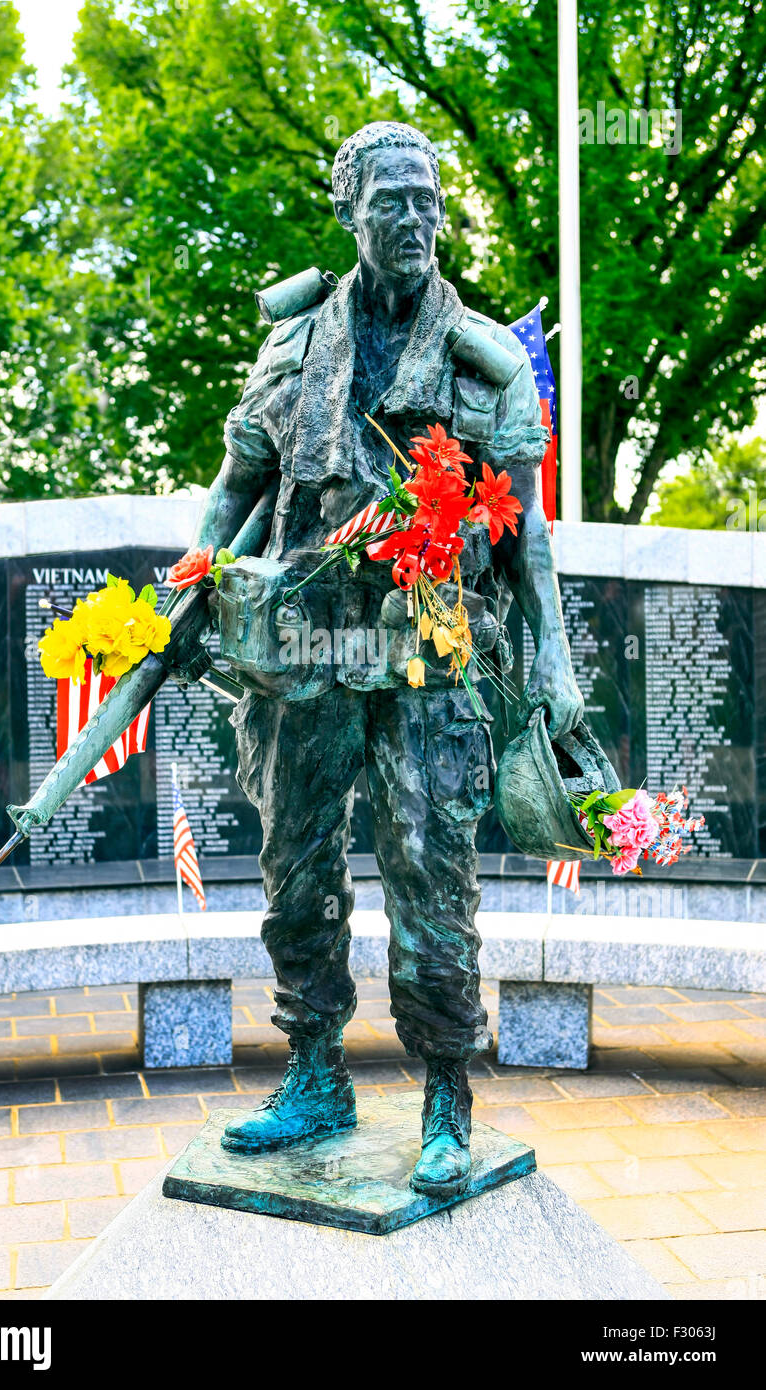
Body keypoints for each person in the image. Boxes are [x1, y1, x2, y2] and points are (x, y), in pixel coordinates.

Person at [193, 122, 584, 1196]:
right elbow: (236, 491)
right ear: (349, 210)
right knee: (297, 870)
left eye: (426, 201)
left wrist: (550, 659)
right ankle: (314, 1075)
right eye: (389, 203)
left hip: (429, 649)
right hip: (303, 651)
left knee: (429, 874)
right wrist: (190, 578)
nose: (412, 221)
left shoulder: (484, 360)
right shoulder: (289, 345)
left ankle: (446, 1092)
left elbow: (526, 528)